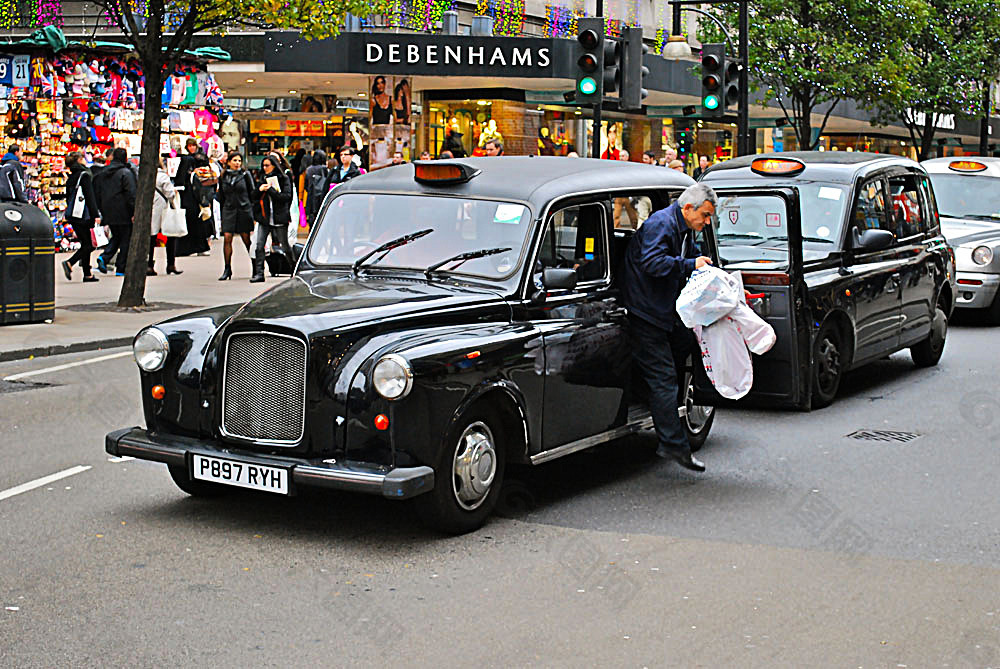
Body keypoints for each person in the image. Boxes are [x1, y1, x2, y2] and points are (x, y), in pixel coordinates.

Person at [622, 183, 718, 472]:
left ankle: (694, 393)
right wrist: (690, 264)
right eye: (705, 215)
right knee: (664, 378)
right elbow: (652, 263)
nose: (707, 222)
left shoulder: (683, 228)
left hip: (663, 309)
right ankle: (674, 446)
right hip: (645, 313)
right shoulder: (660, 224)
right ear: (688, 208)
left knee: (692, 342)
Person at [250, 153, 294, 283]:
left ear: (274, 166)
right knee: (259, 245)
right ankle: (259, 273)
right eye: (263, 165)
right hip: (264, 217)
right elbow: (253, 196)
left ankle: (293, 268)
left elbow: (286, 197)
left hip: (279, 217)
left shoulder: (284, 178)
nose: (265, 168)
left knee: (285, 245)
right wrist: (260, 189)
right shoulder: (262, 178)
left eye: (267, 165)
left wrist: (271, 190)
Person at [94, 148, 136, 276]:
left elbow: (97, 192)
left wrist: (101, 209)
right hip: (123, 211)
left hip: (108, 210)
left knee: (117, 236)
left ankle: (105, 257)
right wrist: (134, 211)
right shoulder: (126, 173)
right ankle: (121, 267)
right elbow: (131, 194)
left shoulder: (103, 173)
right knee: (125, 239)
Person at [216, 151, 255, 280]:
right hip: (229, 210)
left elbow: (252, 193)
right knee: (227, 237)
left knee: (246, 239)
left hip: (243, 210)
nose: (237, 163)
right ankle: (227, 268)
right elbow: (221, 195)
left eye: (239, 161)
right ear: (228, 162)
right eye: (234, 161)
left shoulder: (245, 175)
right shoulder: (223, 176)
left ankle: (256, 266)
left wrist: (253, 212)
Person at [61, 151, 99, 282]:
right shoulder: (84, 175)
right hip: (83, 215)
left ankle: (87, 274)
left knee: (86, 242)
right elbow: (90, 196)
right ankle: (70, 262)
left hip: (74, 214)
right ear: (79, 161)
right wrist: (95, 214)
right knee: (89, 245)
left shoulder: (71, 177)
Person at [148, 156, 182, 276]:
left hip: (150, 209)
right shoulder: (162, 176)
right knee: (170, 236)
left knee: (151, 238)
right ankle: (171, 264)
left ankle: (149, 265)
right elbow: (170, 193)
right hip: (164, 209)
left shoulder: (144, 176)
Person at [303, 150, 329, 226]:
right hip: (323, 197)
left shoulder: (309, 169)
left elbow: (306, 186)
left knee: (312, 221)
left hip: (311, 197)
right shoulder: (325, 169)